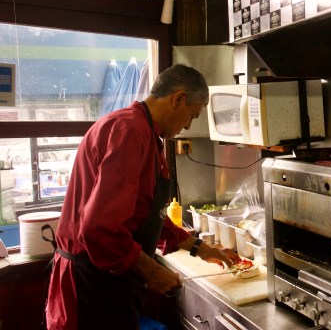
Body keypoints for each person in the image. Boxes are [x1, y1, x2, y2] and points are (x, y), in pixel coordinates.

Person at [45, 64, 240, 330]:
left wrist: (199, 247)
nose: (187, 126)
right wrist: (151, 270)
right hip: (93, 282)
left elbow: (145, 214)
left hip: (107, 276)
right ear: (178, 98)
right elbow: (101, 229)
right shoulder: (129, 132)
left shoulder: (145, 132)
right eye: (191, 116)